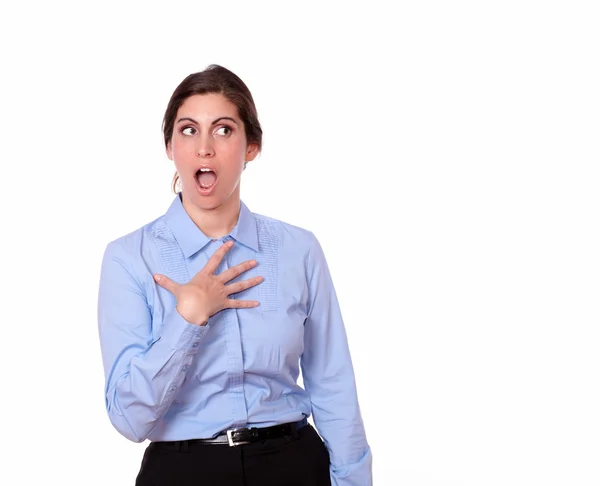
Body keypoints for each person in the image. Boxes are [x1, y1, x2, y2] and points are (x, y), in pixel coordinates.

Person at [97, 64, 372, 486]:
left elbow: (333, 385)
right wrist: (186, 320)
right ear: (170, 146)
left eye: (223, 130)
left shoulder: (299, 249)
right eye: (188, 130)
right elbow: (129, 419)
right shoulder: (129, 258)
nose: (204, 148)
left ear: (251, 147)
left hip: (293, 466)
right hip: (183, 471)